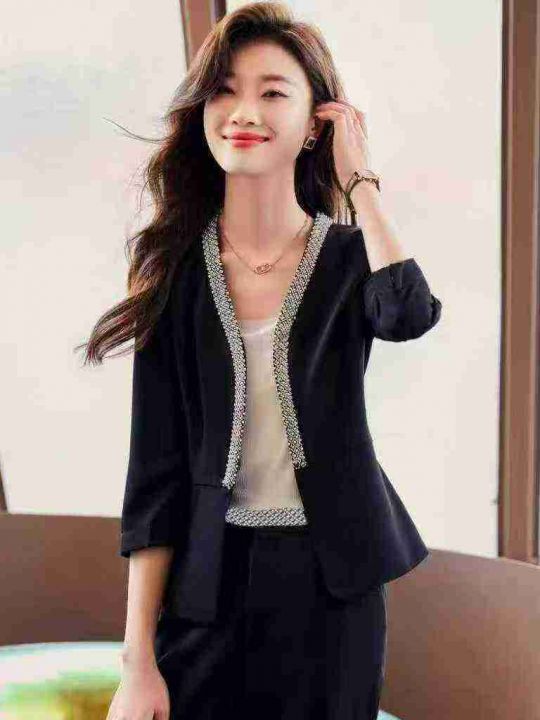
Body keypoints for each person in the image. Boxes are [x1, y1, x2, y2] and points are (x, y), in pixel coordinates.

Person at [77, 2, 442, 718]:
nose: (244, 111)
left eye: (273, 92)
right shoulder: (174, 272)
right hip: (207, 585)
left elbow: (407, 314)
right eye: (224, 90)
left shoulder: (350, 259)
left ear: (315, 125)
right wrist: (137, 661)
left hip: (334, 592)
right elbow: (154, 477)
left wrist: (360, 183)